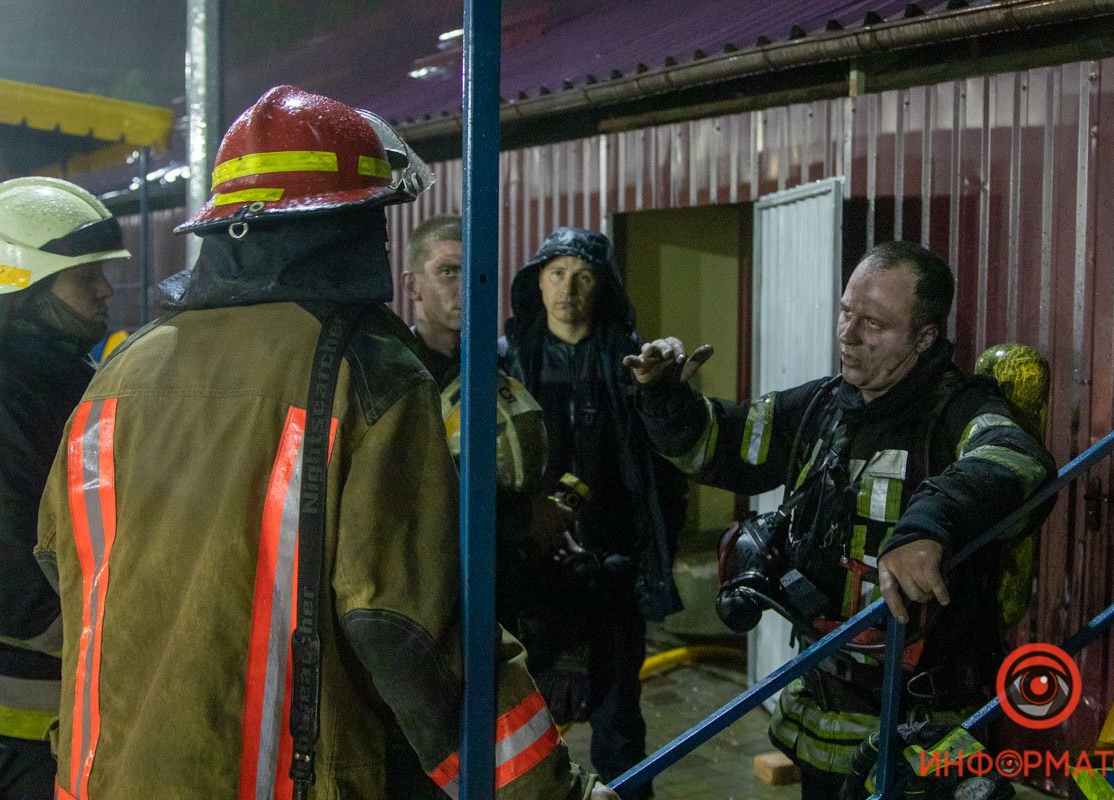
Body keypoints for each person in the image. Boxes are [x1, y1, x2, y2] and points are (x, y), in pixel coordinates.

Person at [34, 86, 613, 800]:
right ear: (348, 226)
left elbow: (59, 565)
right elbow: (402, 629)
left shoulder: (118, 373)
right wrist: (549, 789)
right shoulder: (365, 366)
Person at [624, 241, 1056, 800]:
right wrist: (665, 399)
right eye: (846, 311)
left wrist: (928, 523)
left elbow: (1018, 459)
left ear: (925, 338)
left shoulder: (957, 413)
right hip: (822, 717)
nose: (848, 334)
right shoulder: (824, 408)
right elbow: (722, 443)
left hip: (926, 727)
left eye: (873, 322)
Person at [501, 227, 687, 799]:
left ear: (601, 287)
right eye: (556, 273)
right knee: (517, 724)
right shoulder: (506, 362)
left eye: (582, 276)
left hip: (612, 566)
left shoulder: (632, 362)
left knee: (618, 729)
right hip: (528, 569)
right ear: (537, 281)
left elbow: (666, 463)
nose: (568, 289)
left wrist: (668, 390)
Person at [0, 176, 124, 799]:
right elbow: (11, 577)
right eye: (84, 275)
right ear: (25, 288)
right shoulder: (5, 397)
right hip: (22, 725)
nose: (104, 288)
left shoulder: (62, 382)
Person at [401, 215, 550, 631]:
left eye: (475, 272)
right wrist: (523, 516)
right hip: (430, 595)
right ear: (412, 285)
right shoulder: (392, 378)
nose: (465, 286)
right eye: (448, 271)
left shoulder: (498, 364)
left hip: (503, 585)